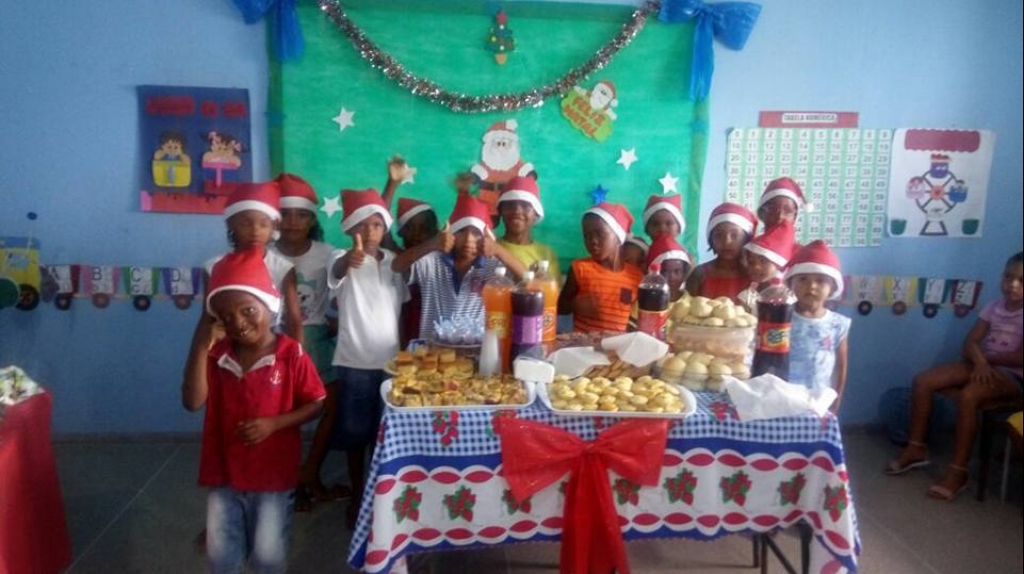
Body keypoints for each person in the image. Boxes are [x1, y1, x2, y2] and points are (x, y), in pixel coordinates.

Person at [182, 248, 326, 574]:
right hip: (224, 476)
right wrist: (203, 342)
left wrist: (275, 423)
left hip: (273, 477)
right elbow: (192, 401)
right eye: (226, 316)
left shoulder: (291, 354)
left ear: (269, 305)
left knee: (267, 559)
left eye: (248, 310)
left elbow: (317, 403)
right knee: (223, 560)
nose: (239, 323)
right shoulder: (216, 355)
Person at [886, 252, 1023, 501]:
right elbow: (969, 342)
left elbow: (1019, 358)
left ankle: (958, 472)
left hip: (1011, 377)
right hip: (982, 364)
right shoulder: (993, 307)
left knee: (968, 396)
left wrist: (986, 360)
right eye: (1008, 277)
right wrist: (980, 361)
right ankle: (916, 448)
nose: (1012, 284)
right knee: (923, 381)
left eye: (1021, 280)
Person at [328, 189, 409, 527]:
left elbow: (398, 311)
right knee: (354, 433)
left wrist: (403, 356)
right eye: (362, 225)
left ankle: (381, 494)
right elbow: (337, 270)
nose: (370, 231)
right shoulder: (341, 258)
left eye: (377, 225)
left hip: (390, 364)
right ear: (349, 229)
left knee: (384, 433)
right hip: (355, 363)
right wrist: (349, 260)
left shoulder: (394, 263)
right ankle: (357, 493)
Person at [270, 173, 348, 511]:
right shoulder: (264, 255)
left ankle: (310, 472)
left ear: (312, 219)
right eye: (285, 214)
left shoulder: (327, 254)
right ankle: (283, 479)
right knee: (281, 412)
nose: (292, 222)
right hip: (272, 342)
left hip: (315, 339)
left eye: (301, 215)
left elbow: (342, 293)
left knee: (331, 406)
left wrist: (338, 321)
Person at [393, 194, 526, 341]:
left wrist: (498, 250)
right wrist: (432, 243)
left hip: (477, 349)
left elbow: (527, 279)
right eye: (461, 231)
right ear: (451, 234)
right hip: (433, 350)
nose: (469, 239)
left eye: (476, 233)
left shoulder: (494, 267)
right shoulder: (431, 261)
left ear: (486, 238)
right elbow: (397, 266)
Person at [199, 181, 304, 345]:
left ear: (274, 226)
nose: (255, 231)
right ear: (231, 224)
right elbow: (208, 318)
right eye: (245, 223)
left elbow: (294, 320)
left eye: (264, 224)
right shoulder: (213, 267)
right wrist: (201, 351)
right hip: (227, 343)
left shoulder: (282, 268)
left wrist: (296, 354)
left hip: (269, 345)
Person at [784, 240, 851, 411]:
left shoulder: (838, 324)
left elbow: (840, 366)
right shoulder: (781, 318)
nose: (811, 286)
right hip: (784, 397)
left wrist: (836, 401)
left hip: (819, 402)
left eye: (820, 281)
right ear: (790, 284)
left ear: (832, 287)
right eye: (803, 279)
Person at [558, 202, 643, 333]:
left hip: (619, 344)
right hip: (583, 344)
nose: (593, 240)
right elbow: (560, 306)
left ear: (618, 236)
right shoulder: (580, 269)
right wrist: (575, 305)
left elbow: (637, 319)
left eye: (599, 234)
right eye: (587, 235)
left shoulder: (636, 277)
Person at [685, 202, 757, 302]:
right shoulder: (699, 274)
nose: (726, 241)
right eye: (719, 235)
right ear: (711, 239)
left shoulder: (755, 275)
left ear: (746, 239)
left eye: (734, 235)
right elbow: (686, 307)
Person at [496, 176, 561, 281]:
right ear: (501, 211)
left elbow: (551, 290)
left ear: (536, 214)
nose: (517, 211)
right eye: (510, 205)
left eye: (526, 206)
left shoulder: (546, 254)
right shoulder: (489, 249)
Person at [626, 234, 693, 332]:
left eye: (677, 271)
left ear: (684, 273)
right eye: (665, 272)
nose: (671, 277)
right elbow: (631, 329)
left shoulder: (692, 304)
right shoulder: (644, 302)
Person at [737, 220, 798, 311]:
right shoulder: (747, 296)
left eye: (763, 261)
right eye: (751, 261)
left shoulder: (787, 297)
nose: (756, 267)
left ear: (778, 264)